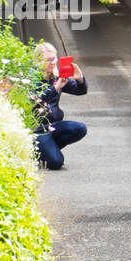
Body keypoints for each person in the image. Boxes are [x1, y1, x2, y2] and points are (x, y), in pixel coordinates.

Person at [31, 42, 88, 170]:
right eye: (48, 60)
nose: (52, 63)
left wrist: (80, 79)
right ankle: (37, 152)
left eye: (54, 59)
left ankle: (47, 150)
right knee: (56, 162)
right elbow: (36, 100)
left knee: (80, 129)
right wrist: (55, 88)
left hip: (53, 125)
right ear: (38, 61)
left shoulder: (56, 77)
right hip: (38, 129)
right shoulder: (32, 78)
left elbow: (80, 91)